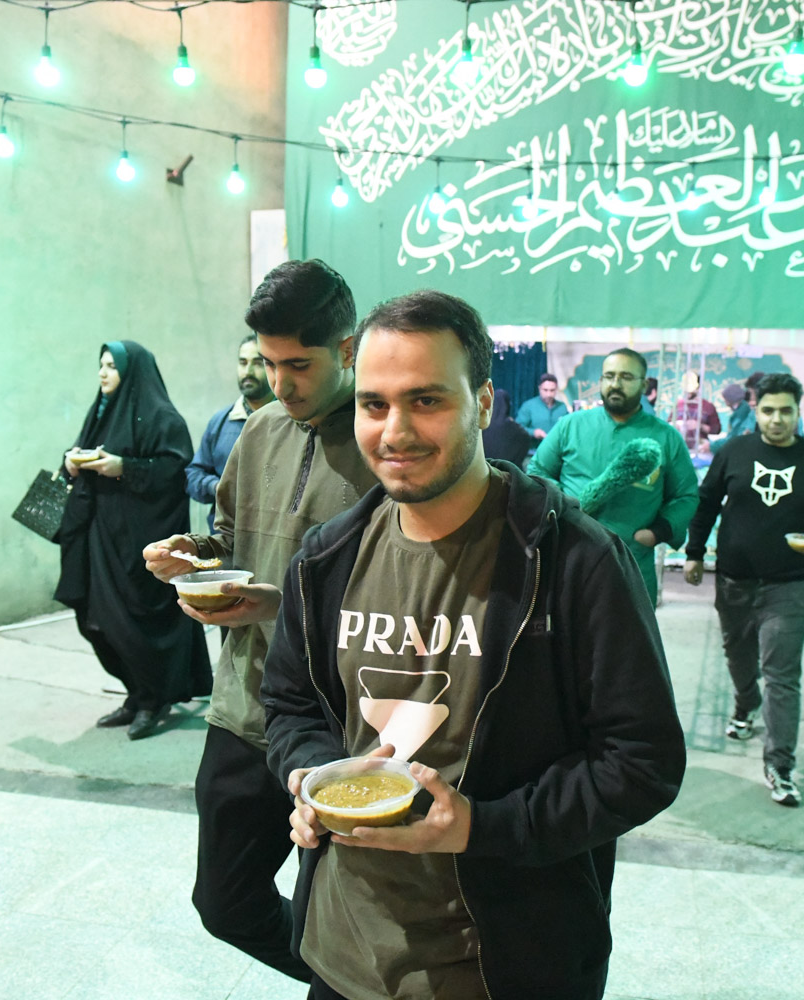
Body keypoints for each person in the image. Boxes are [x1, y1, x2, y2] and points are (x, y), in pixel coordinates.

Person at [260, 289, 686, 1000]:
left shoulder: (574, 562)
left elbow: (642, 762)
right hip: (345, 951)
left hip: (504, 962)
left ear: (483, 404)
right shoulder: (326, 559)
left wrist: (480, 827)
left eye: (426, 400)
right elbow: (289, 705)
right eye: (373, 404)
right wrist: (311, 777)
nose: (394, 431)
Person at [141, 260, 379, 982]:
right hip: (243, 706)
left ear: (346, 348)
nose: (279, 383)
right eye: (269, 363)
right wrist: (194, 555)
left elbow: (401, 594)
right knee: (224, 902)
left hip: (340, 723)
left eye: (298, 365)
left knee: (332, 914)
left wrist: (280, 605)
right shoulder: (261, 429)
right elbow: (229, 535)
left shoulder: (383, 443)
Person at [684, 373, 804, 807]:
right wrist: (694, 553)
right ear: (756, 410)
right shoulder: (734, 452)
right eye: (769, 411)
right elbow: (706, 503)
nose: (777, 419)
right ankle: (745, 703)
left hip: (791, 585)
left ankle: (780, 764)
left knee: (782, 675)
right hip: (735, 580)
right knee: (738, 656)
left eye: (786, 411)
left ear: (798, 412)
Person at [56, 341, 211, 741]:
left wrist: (124, 467)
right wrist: (71, 462)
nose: (102, 373)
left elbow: (175, 470)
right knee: (96, 621)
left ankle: (153, 700)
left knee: (135, 624)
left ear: (132, 372)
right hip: (98, 539)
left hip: (135, 543)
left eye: (111, 366)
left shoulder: (162, 418)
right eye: (101, 365)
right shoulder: (102, 412)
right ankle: (135, 693)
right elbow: (80, 456)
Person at [528, 348, 699, 606]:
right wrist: (564, 506)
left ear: (644, 385)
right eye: (609, 376)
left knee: (631, 630)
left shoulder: (665, 436)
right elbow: (537, 473)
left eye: (626, 377)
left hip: (632, 562)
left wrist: (658, 531)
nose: (615, 384)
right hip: (570, 557)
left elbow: (685, 495)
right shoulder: (570, 426)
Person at [185, 335, 275, 530]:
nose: (248, 372)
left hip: (272, 532)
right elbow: (194, 475)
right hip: (225, 537)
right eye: (243, 363)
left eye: (257, 363)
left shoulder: (290, 419)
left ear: (272, 367)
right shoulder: (221, 422)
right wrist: (217, 487)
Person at [481, 388, 533, 466]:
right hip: (510, 470)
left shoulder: (482, 426)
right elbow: (526, 438)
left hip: (486, 468)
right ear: (508, 405)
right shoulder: (516, 429)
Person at [672, 369, 721, 451]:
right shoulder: (678, 404)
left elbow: (716, 430)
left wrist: (700, 426)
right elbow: (668, 424)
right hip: (679, 447)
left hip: (700, 449)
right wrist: (676, 425)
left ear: (698, 387)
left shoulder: (708, 406)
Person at [515, 372, 569, 441]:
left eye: (552, 390)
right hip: (535, 447)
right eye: (545, 390)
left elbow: (568, 427)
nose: (549, 394)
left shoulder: (562, 407)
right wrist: (533, 432)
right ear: (539, 389)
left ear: (556, 390)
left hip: (558, 447)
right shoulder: (529, 406)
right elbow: (517, 428)